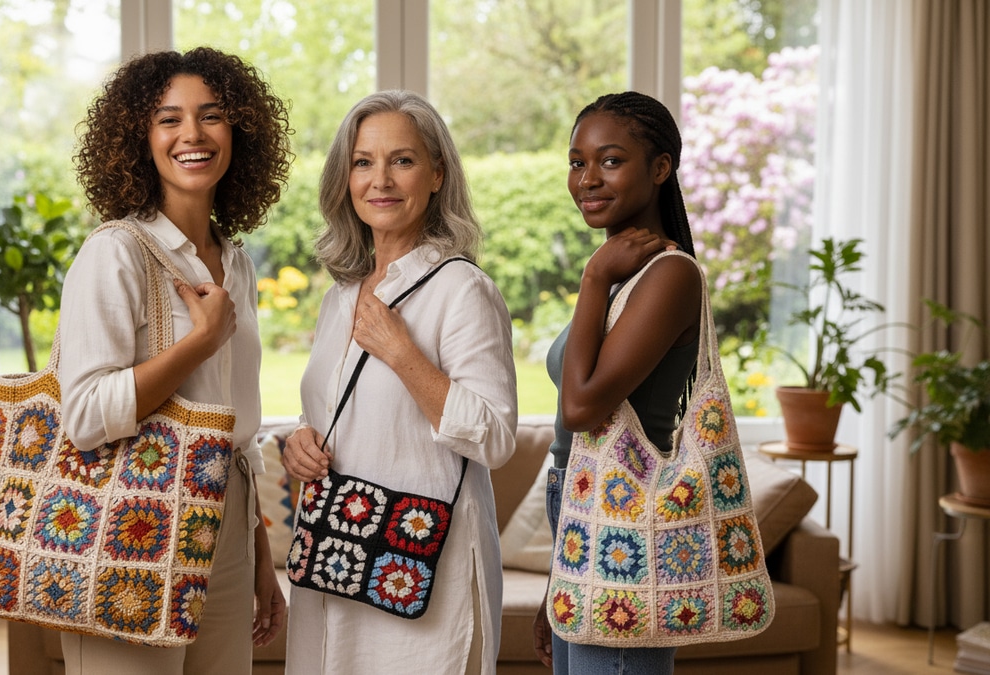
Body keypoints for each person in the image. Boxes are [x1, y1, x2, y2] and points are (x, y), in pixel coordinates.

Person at [57, 47, 293, 674]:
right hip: (129, 532)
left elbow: (235, 430)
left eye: (212, 115)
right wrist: (199, 341)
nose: (193, 133)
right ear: (139, 137)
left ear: (238, 132)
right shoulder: (116, 253)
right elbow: (83, 415)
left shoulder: (234, 260)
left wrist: (259, 558)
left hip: (229, 530)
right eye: (169, 118)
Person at [281, 90, 518, 675]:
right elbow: (345, 412)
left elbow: (495, 437)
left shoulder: (461, 290)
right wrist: (300, 442)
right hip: (334, 558)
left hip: (420, 574)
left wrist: (403, 353)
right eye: (363, 162)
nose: (380, 179)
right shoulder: (341, 296)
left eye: (402, 160)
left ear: (437, 173)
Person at [531, 91, 703, 675]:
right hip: (580, 507)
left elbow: (581, 407)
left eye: (610, 160)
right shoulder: (623, 277)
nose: (587, 179)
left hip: (627, 514)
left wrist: (595, 275)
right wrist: (559, 575)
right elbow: (574, 441)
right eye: (577, 162)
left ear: (660, 168)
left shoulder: (669, 275)